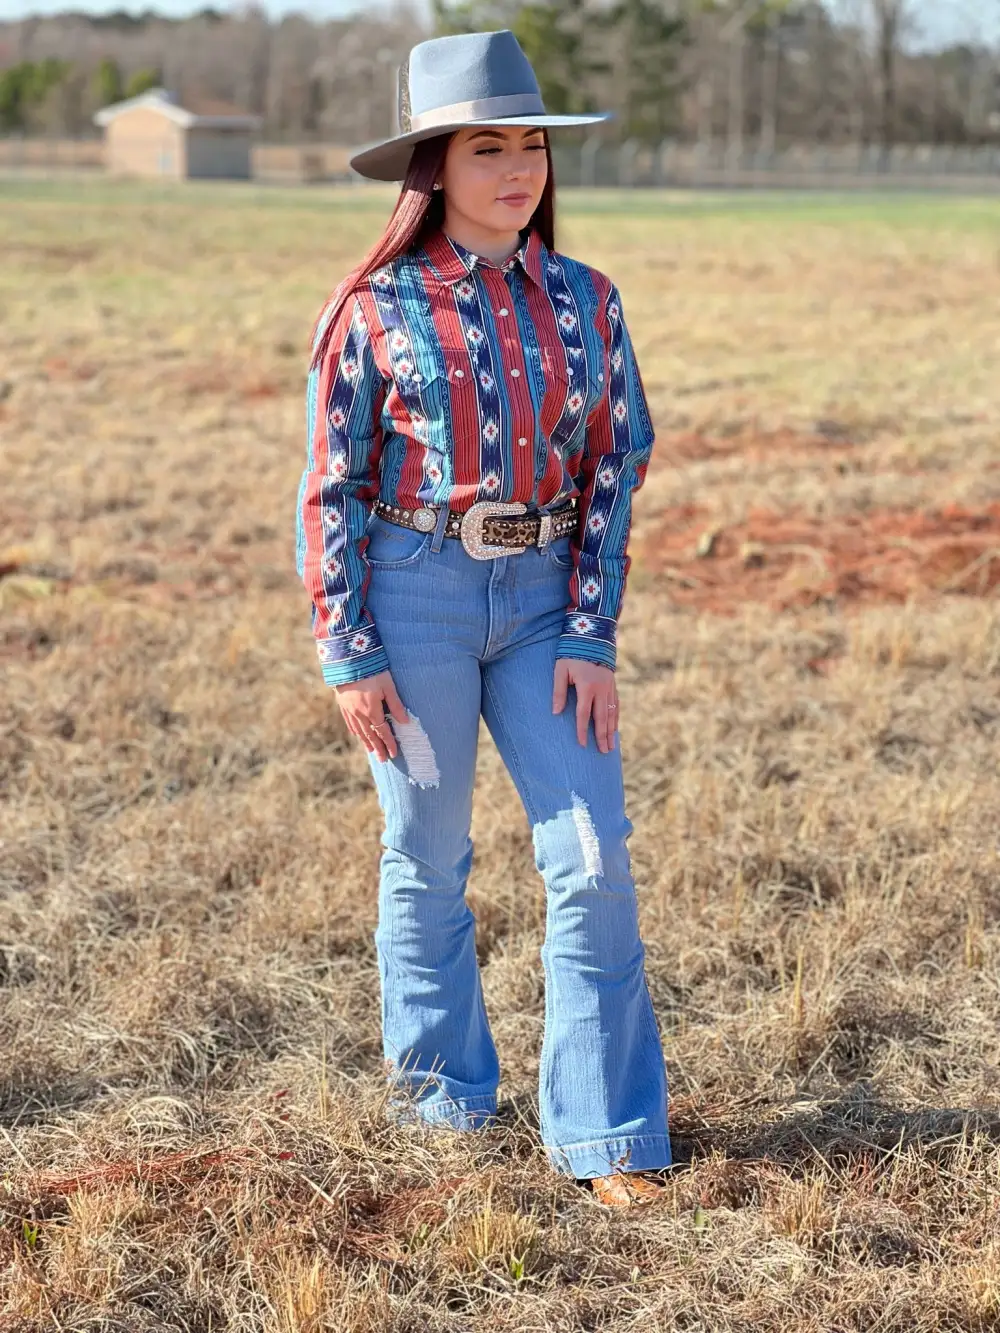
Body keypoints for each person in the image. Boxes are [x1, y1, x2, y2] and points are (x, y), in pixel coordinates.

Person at [296, 29, 673, 1207]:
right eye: (486, 148)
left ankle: (607, 1135)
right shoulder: (373, 307)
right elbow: (330, 485)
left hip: (547, 602)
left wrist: (592, 631)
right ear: (435, 167)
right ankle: (440, 1108)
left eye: (531, 147)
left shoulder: (588, 301)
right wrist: (350, 648)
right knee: (427, 854)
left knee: (592, 854)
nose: (518, 169)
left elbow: (616, 465)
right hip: (413, 597)